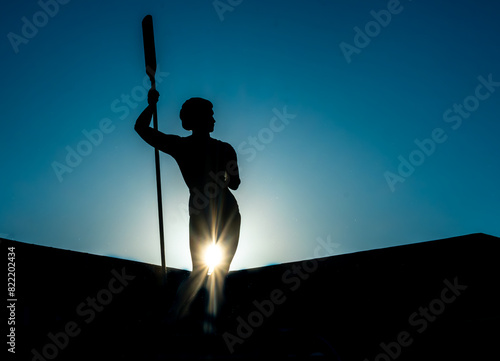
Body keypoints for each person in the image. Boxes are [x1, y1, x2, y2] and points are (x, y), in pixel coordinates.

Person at [135, 89, 241, 326]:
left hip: (212, 209)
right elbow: (235, 182)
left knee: (206, 270)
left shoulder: (189, 146)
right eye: (210, 115)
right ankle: (190, 318)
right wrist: (151, 105)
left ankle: (199, 318)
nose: (214, 119)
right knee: (207, 270)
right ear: (199, 118)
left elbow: (234, 182)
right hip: (214, 209)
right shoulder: (220, 148)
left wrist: (151, 106)